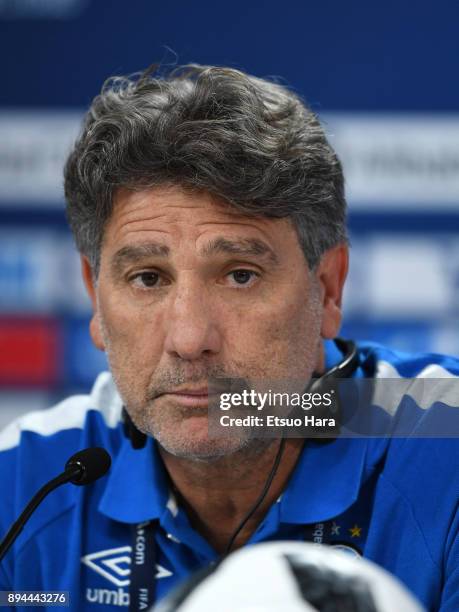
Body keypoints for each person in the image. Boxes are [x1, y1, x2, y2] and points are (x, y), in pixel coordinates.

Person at [0, 64, 458, 612]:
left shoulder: (445, 443)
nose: (190, 339)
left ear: (328, 289)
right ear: (95, 295)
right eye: (148, 278)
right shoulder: (23, 481)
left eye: (240, 274)